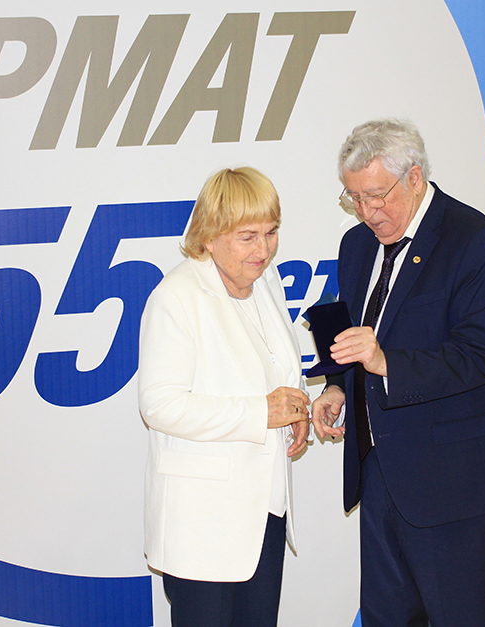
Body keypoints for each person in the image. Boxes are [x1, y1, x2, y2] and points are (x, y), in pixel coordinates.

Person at [312, 119, 485, 627]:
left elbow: (478, 355)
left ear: (414, 178)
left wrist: (386, 362)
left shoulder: (475, 241)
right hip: (379, 468)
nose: (367, 212)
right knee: (386, 618)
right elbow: (360, 334)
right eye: (353, 198)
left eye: (376, 196)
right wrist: (338, 386)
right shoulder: (357, 245)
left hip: (454, 478)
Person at [138, 166, 310, 627]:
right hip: (203, 524)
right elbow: (159, 406)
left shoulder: (265, 281)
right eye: (248, 236)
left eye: (271, 232)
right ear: (210, 237)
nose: (264, 250)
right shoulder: (176, 297)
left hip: (266, 511)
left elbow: (273, 366)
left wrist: (296, 407)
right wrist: (262, 413)